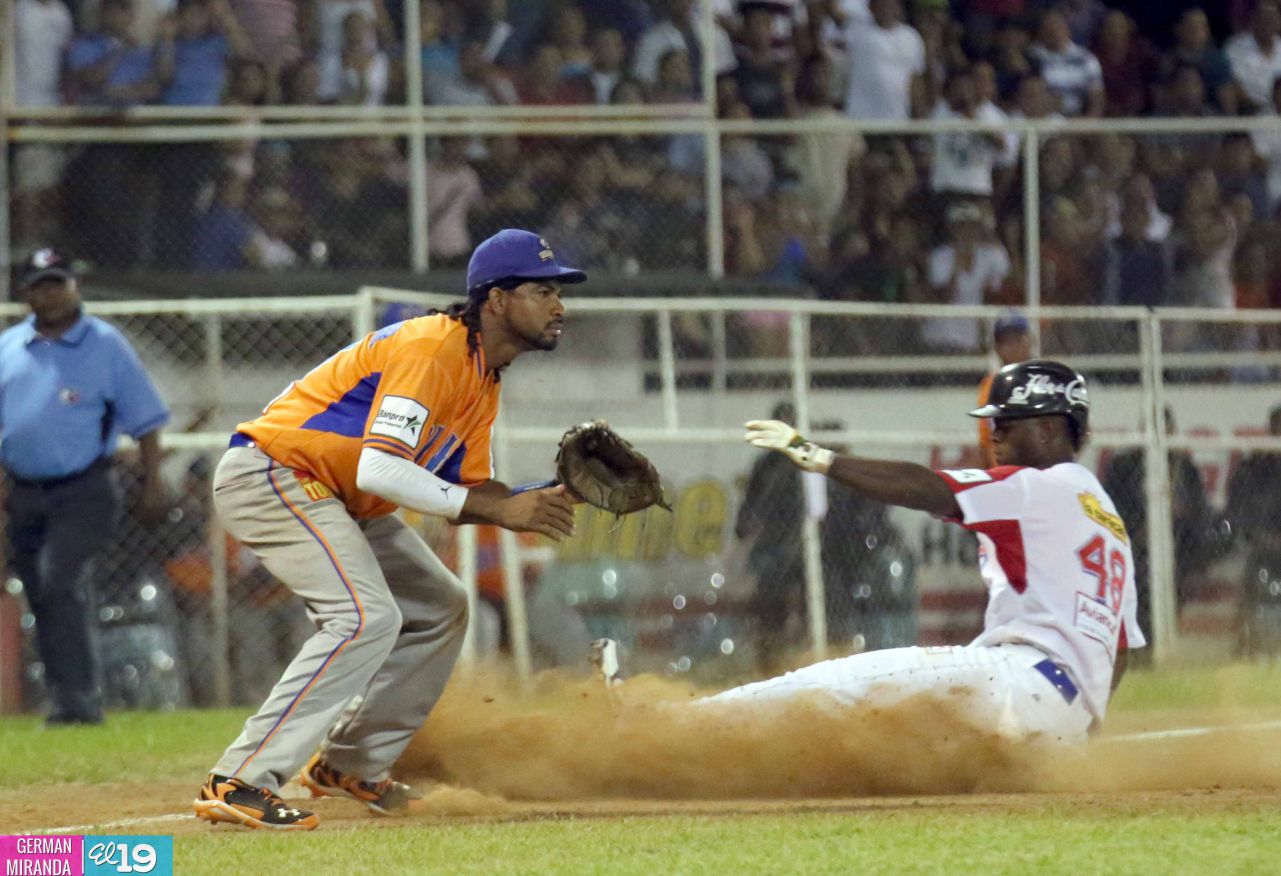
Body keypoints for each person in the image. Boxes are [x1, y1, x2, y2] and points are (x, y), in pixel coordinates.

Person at [192, 229, 584, 831]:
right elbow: (382, 467)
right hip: (276, 474)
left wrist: (546, 497)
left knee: (444, 604)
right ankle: (239, 779)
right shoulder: (436, 348)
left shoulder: (483, 378)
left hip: (343, 498)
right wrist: (504, 510)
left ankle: (349, 764)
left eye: (560, 292)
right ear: (497, 301)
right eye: (542, 290)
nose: (559, 306)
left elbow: (473, 494)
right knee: (362, 617)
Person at [711, 360, 1145, 745]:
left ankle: (677, 728)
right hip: (1066, 718)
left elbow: (930, 489)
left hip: (1019, 682)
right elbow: (1119, 649)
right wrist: (1078, 727)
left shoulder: (1035, 487)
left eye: (1007, 424)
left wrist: (821, 458)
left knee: (841, 683)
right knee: (884, 740)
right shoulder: (1106, 516)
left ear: (1049, 429)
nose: (993, 434)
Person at [0, 248, 170, 726]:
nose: (49, 294)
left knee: (59, 579)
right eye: (39, 285)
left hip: (84, 489)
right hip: (24, 491)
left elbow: (147, 422)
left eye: (57, 283)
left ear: (75, 287)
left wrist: (153, 482)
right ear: (25, 292)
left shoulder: (105, 344)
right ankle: (65, 699)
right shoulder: (9, 347)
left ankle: (82, 698)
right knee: (37, 589)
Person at [976, 314, 1031, 467]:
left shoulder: (1044, 379)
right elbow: (986, 442)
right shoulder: (989, 386)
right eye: (1006, 342)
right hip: (1003, 474)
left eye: (1017, 340)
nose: (1012, 347)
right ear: (997, 348)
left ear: (1029, 341)